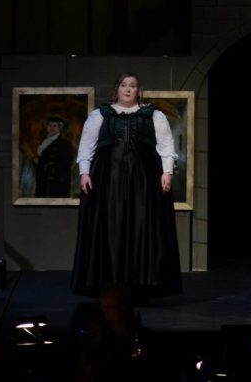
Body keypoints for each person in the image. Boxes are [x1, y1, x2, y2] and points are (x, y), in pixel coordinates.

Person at [71, 72, 182, 301]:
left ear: (139, 91)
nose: (128, 89)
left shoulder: (154, 115)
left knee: (142, 224)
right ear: (117, 89)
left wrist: (167, 172)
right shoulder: (100, 115)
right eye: (124, 85)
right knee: (112, 224)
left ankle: (143, 280)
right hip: (109, 178)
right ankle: (109, 280)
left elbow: (166, 145)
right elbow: (87, 145)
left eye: (132, 85)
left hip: (144, 179)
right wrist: (84, 173)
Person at [34, 115, 72, 198]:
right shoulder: (43, 142)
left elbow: (66, 164)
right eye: (49, 125)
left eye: (55, 126)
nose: (52, 128)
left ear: (59, 128)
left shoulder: (64, 143)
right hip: (42, 182)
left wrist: (51, 170)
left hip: (56, 183)